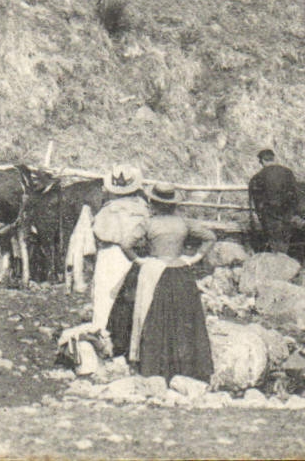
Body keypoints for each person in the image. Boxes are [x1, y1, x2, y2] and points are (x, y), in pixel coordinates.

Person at [106, 182, 216, 383]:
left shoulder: (149, 223)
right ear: (173, 203)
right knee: (184, 320)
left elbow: (125, 243)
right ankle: (186, 369)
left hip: (156, 271)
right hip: (180, 272)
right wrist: (194, 258)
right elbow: (210, 237)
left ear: (153, 202)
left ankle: (154, 367)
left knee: (154, 317)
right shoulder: (183, 222)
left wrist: (139, 260)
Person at [57, 164, 149, 359]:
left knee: (105, 297)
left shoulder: (108, 209)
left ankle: (103, 341)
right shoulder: (142, 208)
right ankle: (132, 345)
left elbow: (98, 230)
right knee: (132, 298)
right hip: (134, 255)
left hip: (110, 254)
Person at [248, 148, 298, 254]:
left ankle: (276, 262)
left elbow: (256, 202)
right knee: (285, 239)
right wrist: (291, 212)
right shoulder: (287, 172)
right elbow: (294, 194)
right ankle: (285, 261)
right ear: (273, 158)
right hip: (286, 213)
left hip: (269, 214)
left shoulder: (257, 177)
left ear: (261, 161)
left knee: (273, 241)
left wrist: (260, 216)